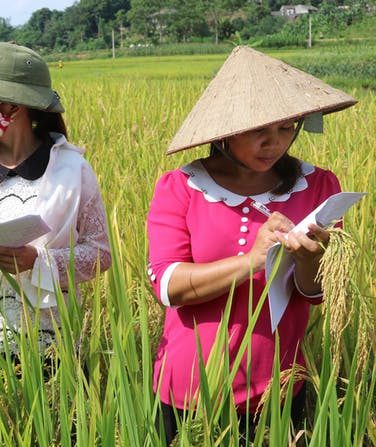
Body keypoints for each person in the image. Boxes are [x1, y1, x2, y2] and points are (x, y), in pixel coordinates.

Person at [146, 46, 357, 444]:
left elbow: (317, 293)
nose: (273, 143)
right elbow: (168, 286)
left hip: (279, 384)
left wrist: (311, 261)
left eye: (285, 128)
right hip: (190, 388)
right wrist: (253, 260)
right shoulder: (181, 189)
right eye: (258, 129)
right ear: (224, 132)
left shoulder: (319, 186)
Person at [0, 42, 111, 368]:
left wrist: (38, 260)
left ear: (12, 108)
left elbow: (100, 256)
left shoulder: (73, 171)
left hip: (51, 345)